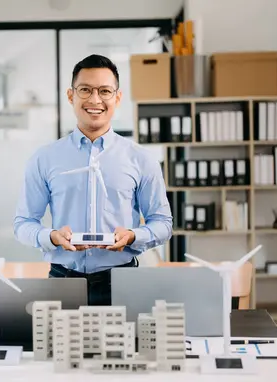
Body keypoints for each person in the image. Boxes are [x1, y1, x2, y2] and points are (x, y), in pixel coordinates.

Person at [13, 54, 172, 306]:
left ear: (117, 98)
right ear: (70, 96)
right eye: (85, 90)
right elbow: (23, 224)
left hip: (122, 281)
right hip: (63, 281)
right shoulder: (44, 158)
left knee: (123, 347)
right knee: (59, 346)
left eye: (105, 91)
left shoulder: (141, 159)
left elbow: (163, 224)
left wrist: (132, 236)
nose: (95, 99)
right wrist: (52, 236)